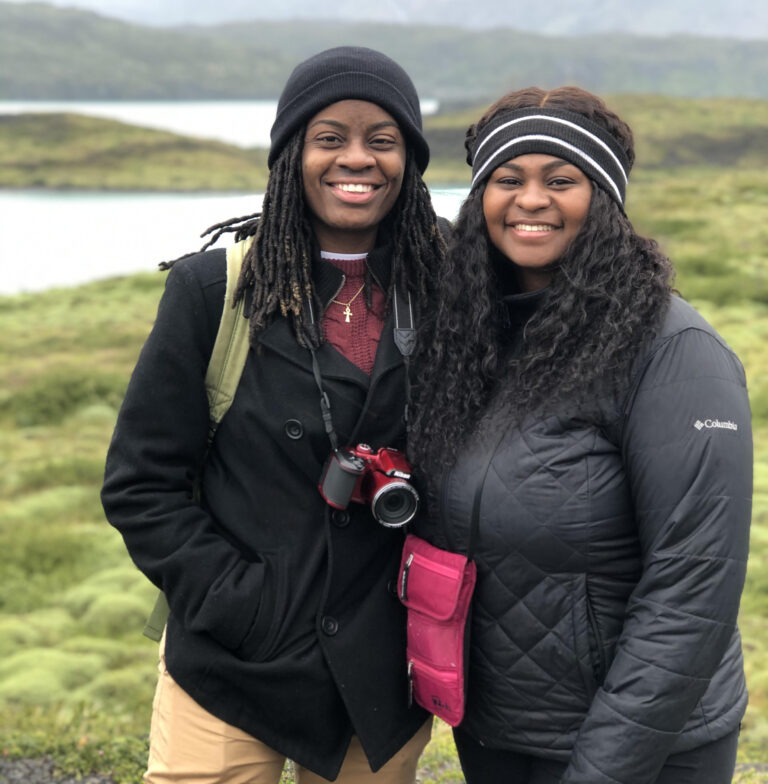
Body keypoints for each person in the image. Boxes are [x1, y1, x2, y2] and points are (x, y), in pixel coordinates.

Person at [101, 46, 445, 784]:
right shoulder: (213, 291)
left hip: (381, 671)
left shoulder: (449, 289)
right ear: (292, 153)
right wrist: (236, 601)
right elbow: (141, 483)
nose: (357, 158)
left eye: (382, 140)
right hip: (230, 664)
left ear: (409, 161)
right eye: (330, 138)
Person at [408, 86, 752, 784]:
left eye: (561, 181)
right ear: (480, 200)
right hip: (501, 735)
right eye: (508, 180)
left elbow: (692, 587)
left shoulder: (674, 349)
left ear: (605, 203)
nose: (531, 200)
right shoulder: (470, 339)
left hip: (644, 750)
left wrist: (603, 769)